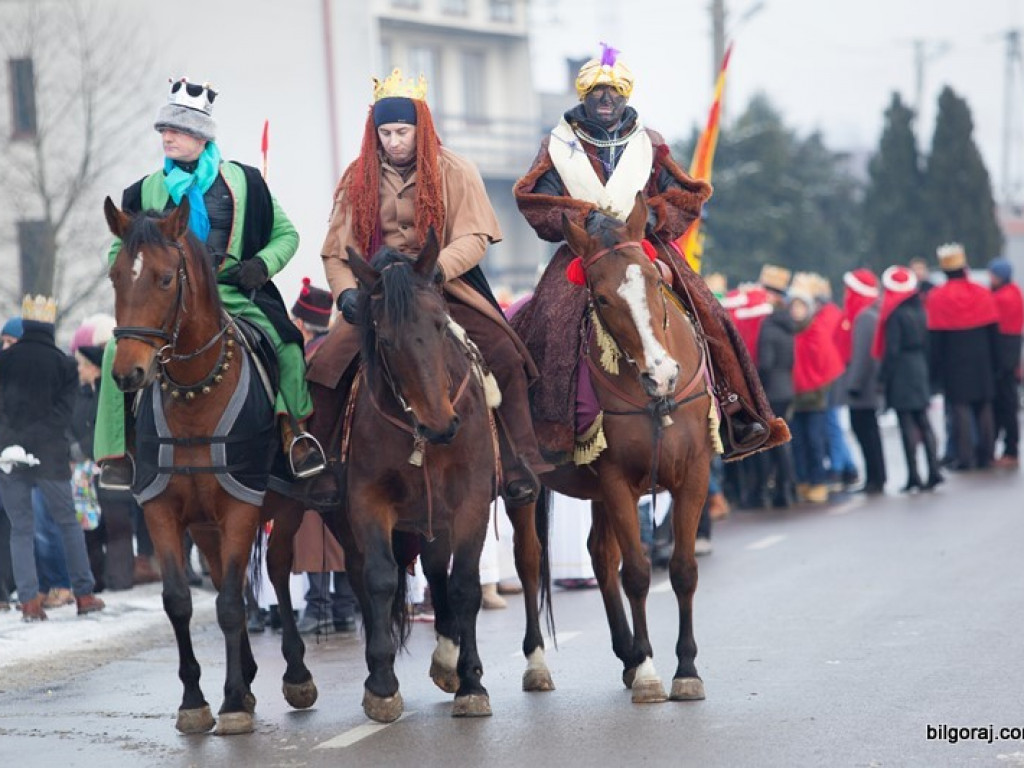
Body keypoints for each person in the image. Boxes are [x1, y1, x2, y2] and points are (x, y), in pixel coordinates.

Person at [511, 45, 788, 464]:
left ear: (625, 95)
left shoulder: (649, 143)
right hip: (583, 251)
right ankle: (549, 428)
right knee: (548, 317)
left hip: (644, 244)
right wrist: (585, 220)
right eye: (597, 92)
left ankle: (737, 408)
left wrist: (655, 218)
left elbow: (685, 195)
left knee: (708, 309)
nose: (606, 100)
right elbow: (535, 199)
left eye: (613, 92)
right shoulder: (557, 146)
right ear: (584, 95)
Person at [306, 68, 550, 508]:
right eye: (385, 132)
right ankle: (320, 465)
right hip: (378, 293)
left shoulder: (455, 168)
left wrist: (435, 270)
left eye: (402, 131)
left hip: (443, 284)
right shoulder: (354, 177)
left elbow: (475, 237)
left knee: (505, 355)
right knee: (325, 364)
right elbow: (335, 253)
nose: (394, 141)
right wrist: (346, 294)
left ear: (421, 128)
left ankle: (520, 460)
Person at [94, 76, 325, 491]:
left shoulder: (247, 182)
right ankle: (117, 454)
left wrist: (261, 263)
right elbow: (120, 252)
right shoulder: (143, 190)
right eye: (164, 129)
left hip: (236, 294)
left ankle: (295, 435)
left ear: (202, 138)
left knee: (288, 344)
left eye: (178, 130)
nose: (167, 137)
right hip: (167, 303)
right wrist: (129, 274)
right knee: (116, 347)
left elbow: (288, 236)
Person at [0, 296, 104, 620]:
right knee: (67, 524)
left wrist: (12, 440)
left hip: (10, 455)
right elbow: (64, 413)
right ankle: (84, 595)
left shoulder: (5, 361)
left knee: (20, 528)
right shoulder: (64, 363)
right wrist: (39, 436)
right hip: (51, 455)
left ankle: (29, 602)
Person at [288, 279, 358, 634]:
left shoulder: (304, 359)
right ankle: (345, 607)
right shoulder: (341, 350)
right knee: (343, 531)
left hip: (316, 454)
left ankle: (318, 607)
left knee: (314, 532)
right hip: (347, 454)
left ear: (300, 323)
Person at [70, 315, 136, 591]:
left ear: (96, 369)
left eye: (82, 365)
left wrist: (85, 447)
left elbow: (106, 426)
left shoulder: (110, 395)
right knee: (91, 530)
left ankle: (120, 579)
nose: (78, 370)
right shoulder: (82, 394)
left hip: (112, 471)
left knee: (118, 525)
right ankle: (96, 578)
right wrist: (73, 448)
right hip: (86, 476)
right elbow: (72, 424)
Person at [926, 243, 999, 471]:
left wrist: (934, 370)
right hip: (982, 358)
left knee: (960, 411)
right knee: (984, 408)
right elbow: (994, 331)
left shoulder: (937, 297)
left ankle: (965, 457)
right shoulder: (982, 293)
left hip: (954, 360)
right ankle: (986, 455)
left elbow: (934, 339)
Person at [874, 266, 942, 491]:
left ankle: (914, 475)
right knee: (923, 421)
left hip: (902, 371)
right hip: (919, 366)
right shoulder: (920, 309)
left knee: (907, 426)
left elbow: (892, 350)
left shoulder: (896, 314)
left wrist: (883, 377)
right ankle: (934, 470)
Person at [789, 274, 844, 504]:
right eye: (794, 306)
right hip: (794, 397)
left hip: (815, 398)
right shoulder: (788, 332)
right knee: (797, 441)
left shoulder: (816, 330)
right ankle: (802, 481)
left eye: (801, 306)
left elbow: (827, 363)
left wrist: (819, 388)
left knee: (815, 440)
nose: (797, 311)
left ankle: (818, 481)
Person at [841, 269, 887, 494]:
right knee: (870, 432)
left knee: (866, 432)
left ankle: (875, 478)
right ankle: (877, 476)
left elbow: (862, 356)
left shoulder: (864, 317)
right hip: (868, 385)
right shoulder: (871, 313)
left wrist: (854, 385)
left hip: (862, 387)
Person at [756, 265, 798, 507]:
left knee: (773, 443)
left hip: (772, 389)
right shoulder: (788, 326)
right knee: (783, 441)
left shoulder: (769, 327)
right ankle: (787, 487)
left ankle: (780, 488)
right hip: (787, 387)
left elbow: (766, 363)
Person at [987, 258, 1023, 469]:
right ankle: (1009, 447)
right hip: (1012, 351)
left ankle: (1010, 449)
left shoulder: (1002, 297)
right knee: (1008, 404)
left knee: (1006, 405)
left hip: (1003, 353)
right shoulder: (1015, 292)